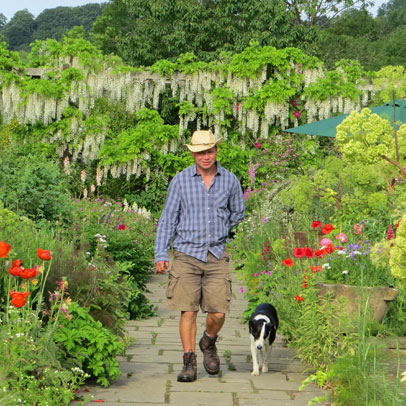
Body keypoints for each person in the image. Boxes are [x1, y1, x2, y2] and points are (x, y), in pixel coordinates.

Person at [154, 129, 245, 382]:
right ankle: (189, 361)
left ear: (216, 151)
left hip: (216, 254)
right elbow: (167, 219)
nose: (206, 156)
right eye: (200, 152)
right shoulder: (180, 181)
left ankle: (208, 341)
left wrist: (220, 229)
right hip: (186, 253)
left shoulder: (230, 180)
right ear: (193, 153)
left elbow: (238, 212)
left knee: (218, 312)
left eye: (210, 151)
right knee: (188, 310)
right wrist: (161, 253)